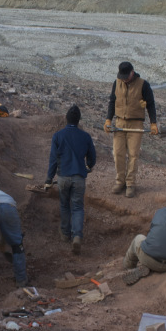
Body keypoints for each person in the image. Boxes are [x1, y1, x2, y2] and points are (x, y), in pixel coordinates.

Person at [45, 105, 97, 255]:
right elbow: (92, 158)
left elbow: (53, 160)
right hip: (79, 178)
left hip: (63, 178)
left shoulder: (58, 136)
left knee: (64, 206)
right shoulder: (85, 136)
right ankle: (77, 236)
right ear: (79, 120)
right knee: (77, 208)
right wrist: (89, 165)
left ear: (66, 119)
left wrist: (49, 179)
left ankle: (64, 234)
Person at [103, 61, 158, 197]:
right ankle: (119, 181)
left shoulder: (143, 85)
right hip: (119, 122)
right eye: (122, 76)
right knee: (118, 153)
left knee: (133, 155)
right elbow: (112, 101)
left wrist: (153, 123)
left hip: (136, 124)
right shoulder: (117, 83)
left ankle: (130, 184)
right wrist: (108, 119)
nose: (124, 79)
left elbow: (150, 104)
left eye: (126, 76)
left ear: (132, 72)